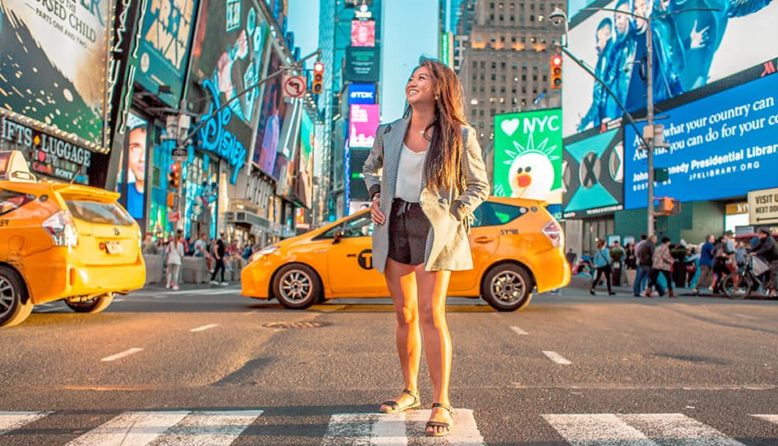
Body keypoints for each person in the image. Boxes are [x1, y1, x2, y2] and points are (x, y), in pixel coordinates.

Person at [362, 57, 489, 437]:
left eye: (421, 78)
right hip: (394, 223)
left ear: (438, 89)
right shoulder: (389, 131)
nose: (412, 82)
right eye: (411, 77)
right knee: (404, 314)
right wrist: (374, 196)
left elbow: (479, 185)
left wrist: (456, 212)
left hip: (433, 228)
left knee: (433, 314)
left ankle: (442, 401)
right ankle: (409, 391)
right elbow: (370, 168)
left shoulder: (459, 134)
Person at [752, 228, 778, 297]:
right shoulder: (762, 241)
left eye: (759, 233)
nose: (758, 235)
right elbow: (756, 247)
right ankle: (766, 288)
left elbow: (767, 248)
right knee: (765, 272)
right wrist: (748, 251)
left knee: (773, 274)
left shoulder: (769, 239)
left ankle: (774, 291)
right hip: (770, 260)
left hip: (776, 260)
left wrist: (756, 253)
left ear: (764, 234)